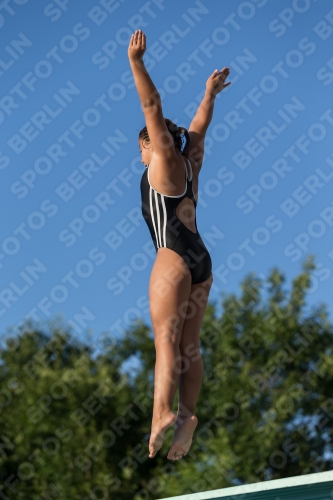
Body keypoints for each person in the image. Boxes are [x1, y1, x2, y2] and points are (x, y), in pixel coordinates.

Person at [128, 30, 231, 461]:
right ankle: (188, 413)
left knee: (166, 342)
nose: (140, 157)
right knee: (191, 344)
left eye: (141, 148)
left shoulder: (165, 160)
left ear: (152, 144)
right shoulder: (190, 162)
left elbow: (152, 106)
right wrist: (209, 94)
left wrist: (137, 62)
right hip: (201, 259)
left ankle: (164, 412)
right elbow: (199, 130)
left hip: (171, 256)